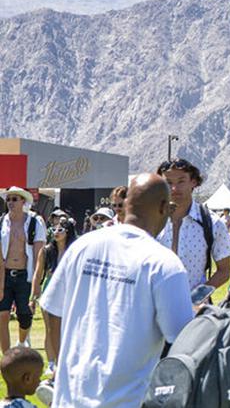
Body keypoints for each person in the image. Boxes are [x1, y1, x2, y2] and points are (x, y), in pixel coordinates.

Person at [40, 173, 194, 407]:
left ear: (127, 203)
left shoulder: (83, 246)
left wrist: (63, 366)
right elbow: (181, 337)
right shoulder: (164, 264)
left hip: (70, 399)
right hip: (127, 401)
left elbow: (52, 309)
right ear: (164, 207)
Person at [156, 158, 230, 298]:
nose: (174, 188)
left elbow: (224, 272)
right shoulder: (151, 220)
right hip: (154, 310)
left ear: (193, 182)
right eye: (168, 183)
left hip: (194, 314)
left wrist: (197, 298)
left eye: (181, 181)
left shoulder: (212, 223)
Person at [0, 187, 45, 354]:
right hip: (4, 274)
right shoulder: (1, 222)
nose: (10, 202)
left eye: (14, 199)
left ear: (23, 202)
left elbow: (39, 254)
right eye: (9, 199)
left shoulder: (34, 222)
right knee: (2, 315)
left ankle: (20, 343)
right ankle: (7, 357)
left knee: (25, 316)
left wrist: (36, 281)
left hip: (24, 275)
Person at [29, 217, 75, 378]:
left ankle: (64, 361)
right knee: (50, 329)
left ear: (68, 232)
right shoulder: (47, 250)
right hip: (50, 290)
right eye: (54, 229)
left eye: (60, 230)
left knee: (66, 329)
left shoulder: (74, 250)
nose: (56, 233)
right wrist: (34, 295)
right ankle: (51, 363)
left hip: (69, 292)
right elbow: (37, 273)